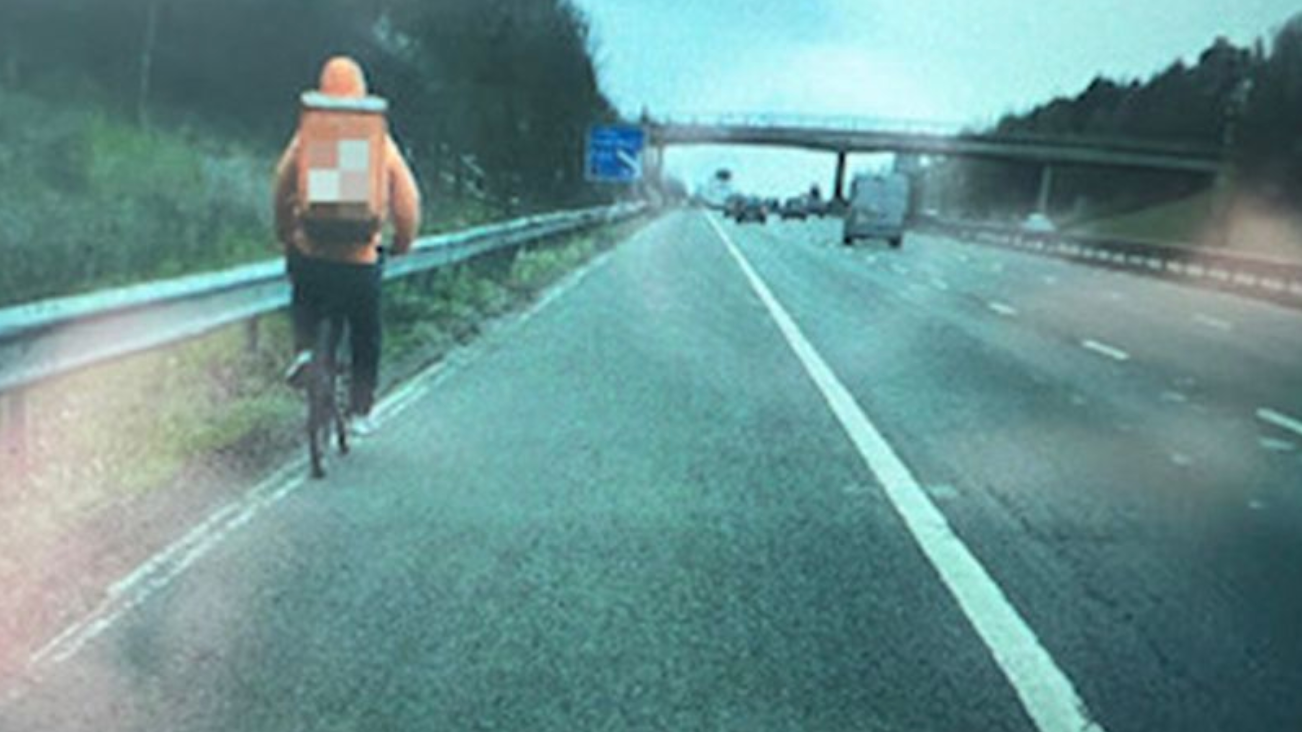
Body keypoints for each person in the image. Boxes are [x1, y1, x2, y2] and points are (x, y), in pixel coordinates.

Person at [274, 56, 421, 437]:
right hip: (359, 262)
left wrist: (286, 232)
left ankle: (305, 351)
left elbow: (282, 186)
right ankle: (360, 409)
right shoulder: (379, 142)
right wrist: (402, 243)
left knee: (304, 294)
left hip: (313, 255)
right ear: (361, 90)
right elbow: (407, 203)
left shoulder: (308, 135)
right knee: (366, 332)